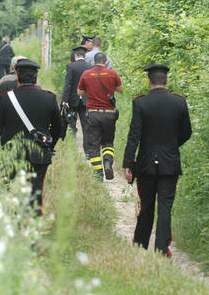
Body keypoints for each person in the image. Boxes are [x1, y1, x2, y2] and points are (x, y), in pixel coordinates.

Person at [122, 64, 192, 257]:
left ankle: (140, 245)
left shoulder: (141, 103)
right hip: (170, 164)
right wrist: (171, 146)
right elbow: (187, 132)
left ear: (148, 81)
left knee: (146, 206)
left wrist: (128, 163)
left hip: (145, 164)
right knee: (165, 208)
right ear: (166, 81)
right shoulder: (179, 102)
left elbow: (134, 136)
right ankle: (162, 249)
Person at [0, 59, 62, 216]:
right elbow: (58, 129)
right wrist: (49, 146)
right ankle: (31, 232)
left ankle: (11, 223)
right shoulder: (49, 99)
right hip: (39, 156)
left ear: (17, 77)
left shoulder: (6, 98)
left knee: (10, 191)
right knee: (35, 194)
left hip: (11, 153)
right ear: (36, 77)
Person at [77, 52, 123, 180]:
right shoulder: (112, 73)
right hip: (109, 114)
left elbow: (79, 92)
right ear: (106, 62)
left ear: (93, 62)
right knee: (108, 141)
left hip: (93, 114)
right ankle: (107, 162)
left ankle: (98, 173)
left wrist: (91, 89)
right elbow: (120, 89)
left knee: (94, 145)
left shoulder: (86, 74)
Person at [62, 47, 93, 154]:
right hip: (86, 100)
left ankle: (71, 150)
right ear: (85, 57)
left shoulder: (71, 66)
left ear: (75, 56)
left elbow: (68, 83)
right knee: (86, 126)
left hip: (72, 100)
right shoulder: (90, 67)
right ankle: (88, 151)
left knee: (71, 125)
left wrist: (64, 99)